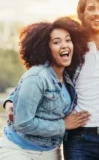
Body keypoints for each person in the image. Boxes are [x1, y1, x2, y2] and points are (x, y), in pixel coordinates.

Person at [3, 0, 99, 159]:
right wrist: (11, 99)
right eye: (91, 8)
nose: (97, 13)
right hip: (78, 137)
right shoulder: (72, 49)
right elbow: (36, 75)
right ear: (81, 15)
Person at [0, 17, 90, 160]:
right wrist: (63, 125)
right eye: (56, 42)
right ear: (45, 48)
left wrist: (10, 101)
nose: (65, 45)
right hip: (19, 150)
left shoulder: (68, 75)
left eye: (68, 40)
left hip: (51, 151)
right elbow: (23, 123)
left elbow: (19, 91)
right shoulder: (37, 76)